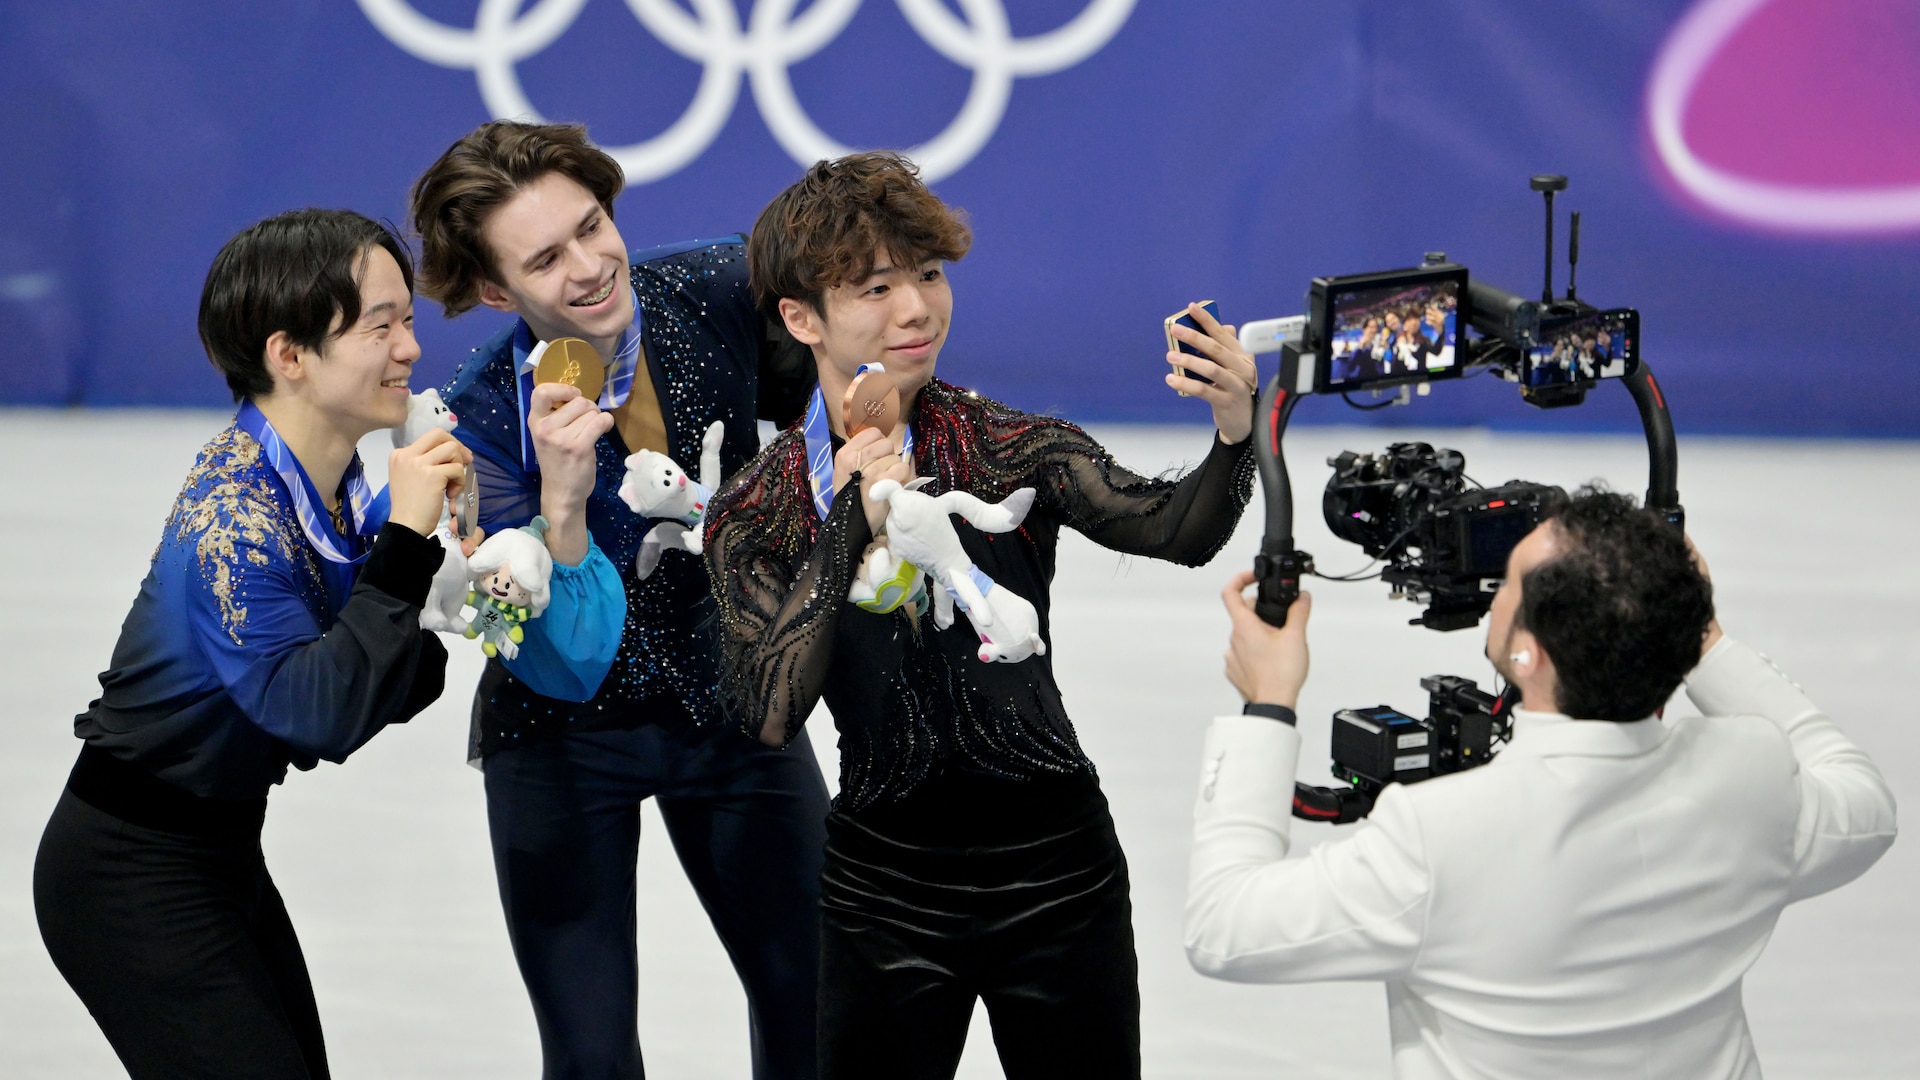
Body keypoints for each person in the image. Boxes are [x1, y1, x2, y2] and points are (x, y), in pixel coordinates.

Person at [706, 151, 1259, 1080]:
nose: (916, 309)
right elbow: (770, 710)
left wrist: (1235, 429)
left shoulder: (1007, 447)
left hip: (1057, 874)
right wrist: (847, 519)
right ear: (801, 317)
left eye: (928, 274)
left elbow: (1178, 531)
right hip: (882, 894)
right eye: (875, 287)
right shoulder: (759, 507)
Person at [1187, 489, 1897, 1079]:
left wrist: (1268, 703)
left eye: (1509, 582)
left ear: (1528, 653)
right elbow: (1866, 804)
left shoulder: (1438, 834)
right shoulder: (1751, 775)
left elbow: (1225, 925)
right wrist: (1700, 639)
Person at [409, 119, 827, 1080]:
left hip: (732, 701)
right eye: (544, 259)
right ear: (494, 290)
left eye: (593, 226)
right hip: (562, 736)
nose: (591, 266)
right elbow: (530, 644)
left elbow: (843, 376)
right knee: (591, 1058)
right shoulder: (481, 422)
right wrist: (561, 508)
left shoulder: (717, 287)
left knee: (818, 1006)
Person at [33, 209, 470, 1079]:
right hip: (128, 873)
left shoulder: (339, 487)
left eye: (408, 321)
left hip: (219, 851)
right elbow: (318, 714)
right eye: (380, 326)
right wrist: (405, 554)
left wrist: (438, 572)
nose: (411, 349)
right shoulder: (233, 520)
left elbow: (391, 684)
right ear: (289, 354)